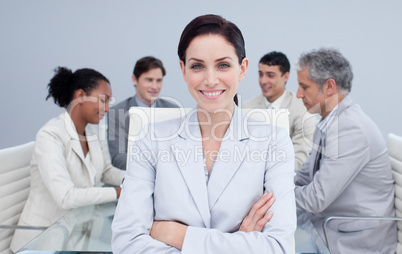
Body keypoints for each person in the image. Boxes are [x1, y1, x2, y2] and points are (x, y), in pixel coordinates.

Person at [112, 14, 296, 253]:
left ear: (242, 69)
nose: (210, 80)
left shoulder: (274, 141)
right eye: (197, 66)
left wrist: (178, 235)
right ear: (183, 70)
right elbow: (126, 243)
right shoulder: (151, 138)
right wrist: (238, 243)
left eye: (223, 65)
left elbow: (277, 247)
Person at [10, 67, 125, 252]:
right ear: (80, 96)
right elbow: (66, 197)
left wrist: (134, 179)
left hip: (76, 234)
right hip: (40, 242)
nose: (107, 109)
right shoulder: (50, 135)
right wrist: (119, 193)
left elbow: (106, 171)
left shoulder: (93, 132)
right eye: (103, 100)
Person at [294, 48, 397, 253]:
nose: (298, 94)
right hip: (329, 224)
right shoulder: (330, 122)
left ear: (329, 86)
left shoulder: (351, 129)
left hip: (353, 240)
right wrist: (270, 184)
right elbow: (304, 176)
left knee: (266, 245)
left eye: (304, 87)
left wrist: (273, 195)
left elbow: (316, 199)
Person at [243, 51, 317, 169]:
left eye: (270, 75)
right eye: (260, 74)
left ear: (286, 77)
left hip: (287, 179)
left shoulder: (302, 110)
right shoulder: (246, 107)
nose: (263, 81)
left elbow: (300, 158)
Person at [107, 56, 178, 170]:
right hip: (135, 176)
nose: (154, 86)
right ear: (134, 79)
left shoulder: (174, 110)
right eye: (149, 80)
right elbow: (117, 157)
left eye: (159, 80)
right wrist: (153, 167)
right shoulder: (117, 112)